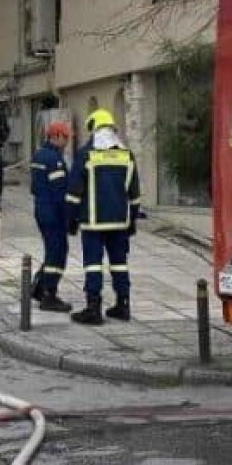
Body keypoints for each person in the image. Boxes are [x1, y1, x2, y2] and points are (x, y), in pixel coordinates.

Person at [65, 109, 140, 326]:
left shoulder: (86, 154)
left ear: (94, 129)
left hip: (92, 222)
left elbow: (73, 192)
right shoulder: (127, 155)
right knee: (119, 263)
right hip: (120, 222)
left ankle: (93, 308)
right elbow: (134, 194)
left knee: (93, 264)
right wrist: (132, 220)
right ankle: (123, 305)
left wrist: (71, 220)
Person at [29, 121, 72, 313]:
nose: (67, 142)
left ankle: (39, 285)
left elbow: (34, 187)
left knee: (51, 248)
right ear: (56, 136)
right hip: (53, 213)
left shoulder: (38, 154)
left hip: (40, 208)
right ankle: (49, 295)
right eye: (65, 138)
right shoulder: (55, 160)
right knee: (58, 251)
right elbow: (59, 193)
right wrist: (69, 217)